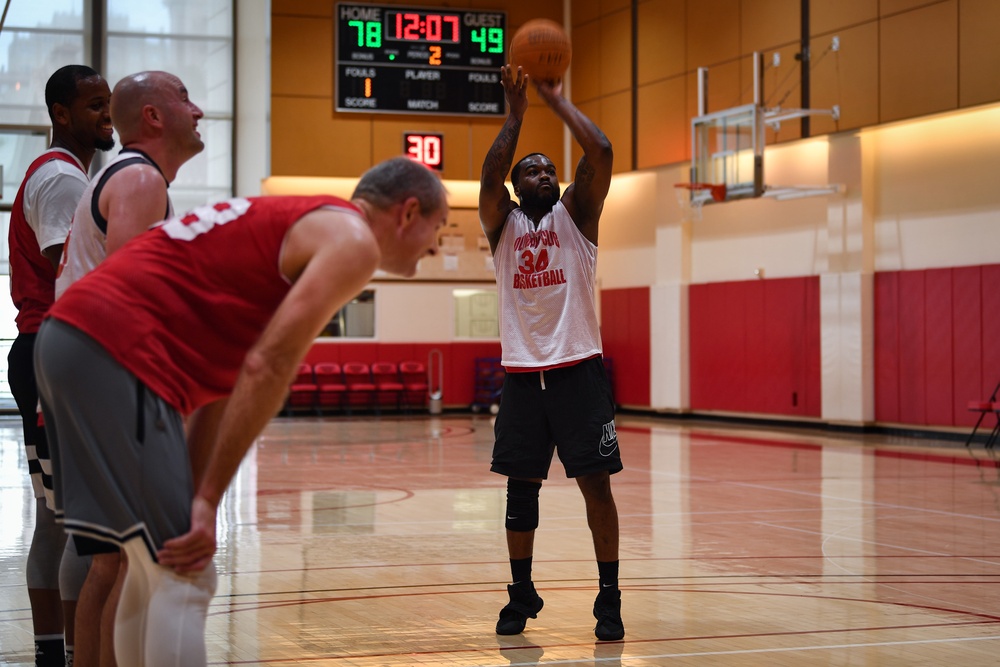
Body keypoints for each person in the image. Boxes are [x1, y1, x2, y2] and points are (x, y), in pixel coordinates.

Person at [34, 156, 448, 667]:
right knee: (186, 570)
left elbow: (222, 385)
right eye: (439, 227)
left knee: (153, 564)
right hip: (114, 345)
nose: (437, 246)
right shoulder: (353, 240)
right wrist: (206, 502)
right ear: (408, 213)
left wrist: (199, 494)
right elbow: (267, 365)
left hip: (70, 341)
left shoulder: (286, 228)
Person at [54, 70, 205, 667]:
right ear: (154, 117)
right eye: (186, 100)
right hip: (108, 386)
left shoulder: (127, 178)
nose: (200, 112)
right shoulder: (141, 179)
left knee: (110, 562)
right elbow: (127, 299)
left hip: (82, 381)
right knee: (133, 560)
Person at [478, 65, 624, 641]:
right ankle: (521, 592)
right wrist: (514, 119)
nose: (544, 173)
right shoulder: (502, 226)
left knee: (596, 486)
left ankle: (608, 598)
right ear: (518, 187)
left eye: (550, 169)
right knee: (520, 488)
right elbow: (488, 179)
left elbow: (603, 149)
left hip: (577, 372)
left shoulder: (577, 216)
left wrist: (558, 104)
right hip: (521, 377)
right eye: (531, 170)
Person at [7, 64, 114, 667]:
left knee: (56, 523)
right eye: (94, 105)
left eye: (109, 103)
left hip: (43, 351)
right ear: (60, 114)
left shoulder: (59, 175)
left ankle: (56, 656)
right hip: (59, 351)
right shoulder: (63, 180)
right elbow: (75, 272)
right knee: (82, 526)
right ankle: (80, 655)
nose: (107, 115)